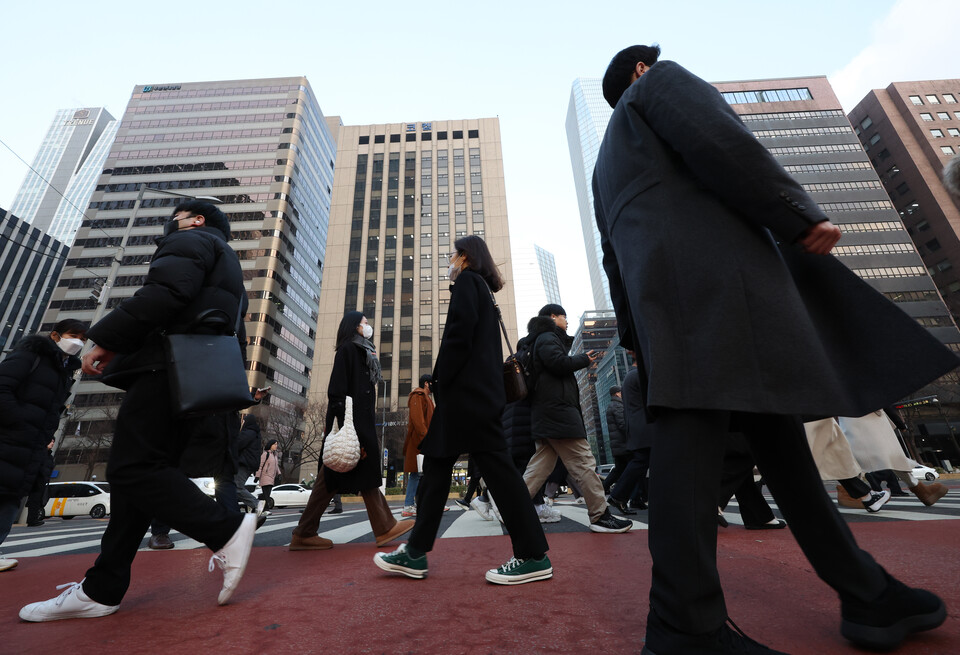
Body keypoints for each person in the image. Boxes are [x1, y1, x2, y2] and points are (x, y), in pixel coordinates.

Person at [595, 46, 958, 653]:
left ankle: (865, 591)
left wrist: (638, 336)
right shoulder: (659, 84)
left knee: (778, 438)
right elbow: (721, 139)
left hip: (668, 297)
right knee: (698, 436)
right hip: (721, 280)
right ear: (638, 69)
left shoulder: (607, 158)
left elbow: (612, 258)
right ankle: (684, 626)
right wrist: (794, 212)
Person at [19, 200, 257, 621]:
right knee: (136, 486)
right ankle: (101, 589)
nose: (172, 222)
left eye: (177, 216)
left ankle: (225, 529)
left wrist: (107, 338)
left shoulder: (191, 240)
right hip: (195, 379)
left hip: (163, 367)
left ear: (196, 220)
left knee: (130, 469)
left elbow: (166, 293)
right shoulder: (227, 262)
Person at [375, 235, 552, 584]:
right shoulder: (482, 289)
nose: (451, 260)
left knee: (498, 472)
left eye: (455, 254)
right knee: (439, 468)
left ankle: (532, 555)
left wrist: (440, 381)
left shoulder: (468, 283)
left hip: (467, 398)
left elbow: (458, 338)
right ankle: (414, 553)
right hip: (472, 397)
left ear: (468, 257)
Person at [290, 312, 413, 551]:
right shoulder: (348, 350)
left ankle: (305, 533)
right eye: (365, 323)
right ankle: (383, 527)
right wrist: (343, 427)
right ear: (354, 327)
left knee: (336, 477)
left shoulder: (362, 352)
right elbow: (336, 390)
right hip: (351, 424)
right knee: (343, 474)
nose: (368, 326)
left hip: (357, 422)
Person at [519, 305, 632, 534]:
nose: (567, 321)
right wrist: (583, 359)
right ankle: (600, 516)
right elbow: (558, 363)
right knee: (584, 463)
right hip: (559, 414)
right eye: (564, 316)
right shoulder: (547, 336)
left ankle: (510, 507)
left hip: (548, 414)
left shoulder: (537, 339)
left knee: (538, 468)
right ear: (552, 317)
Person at [0, 319, 87, 572]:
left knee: (10, 496)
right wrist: (19, 421)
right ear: (55, 335)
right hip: (10, 437)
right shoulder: (30, 356)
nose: (78, 342)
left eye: (83, 338)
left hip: (30, 444)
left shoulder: (65, 370)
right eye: (74, 335)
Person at [605, 364, 651, 515]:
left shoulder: (630, 378)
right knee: (639, 463)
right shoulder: (637, 376)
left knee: (637, 464)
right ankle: (621, 496)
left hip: (630, 436)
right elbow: (621, 423)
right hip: (633, 435)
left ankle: (626, 497)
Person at [402, 375, 435, 517]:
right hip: (419, 443)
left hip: (424, 442)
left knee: (425, 473)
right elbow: (418, 421)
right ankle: (409, 505)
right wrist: (426, 438)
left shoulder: (427, 399)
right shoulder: (418, 396)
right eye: (432, 383)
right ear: (427, 384)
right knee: (416, 474)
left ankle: (427, 502)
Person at [601, 386, 629, 498]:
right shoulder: (617, 406)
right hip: (623, 445)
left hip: (618, 445)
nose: (623, 394)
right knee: (631, 470)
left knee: (618, 471)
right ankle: (620, 495)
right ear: (617, 394)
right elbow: (623, 425)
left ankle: (603, 490)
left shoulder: (612, 405)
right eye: (621, 392)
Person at [236, 414, 263, 514]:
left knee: (237, 488)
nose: (242, 423)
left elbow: (238, 444)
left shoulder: (249, 432)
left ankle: (257, 504)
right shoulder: (254, 433)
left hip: (245, 463)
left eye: (243, 421)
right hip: (248, 463)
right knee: (234, 487)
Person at [26, 438, 56, 527]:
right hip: (36, 480)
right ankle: (32, 520)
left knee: (38, 500)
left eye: (53, 442)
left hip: (43, 481)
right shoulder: (40, 453)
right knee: (34, 500)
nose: (52, 443)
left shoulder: (50, 456)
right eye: (51, 441)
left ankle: (33, 518)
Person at [256, 439, 281, 510]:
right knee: (266, 494)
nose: (276, 446)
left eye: (276, 444)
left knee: (267, 494)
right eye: (275, 444)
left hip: (271, 477)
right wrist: (257, 476)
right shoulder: (265, 454)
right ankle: (266, 508)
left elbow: (276, 466)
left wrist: (279, 473)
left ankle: (260, 504)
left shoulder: (274, 455)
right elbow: (260, 465)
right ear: (270, 445)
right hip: (265, 476)